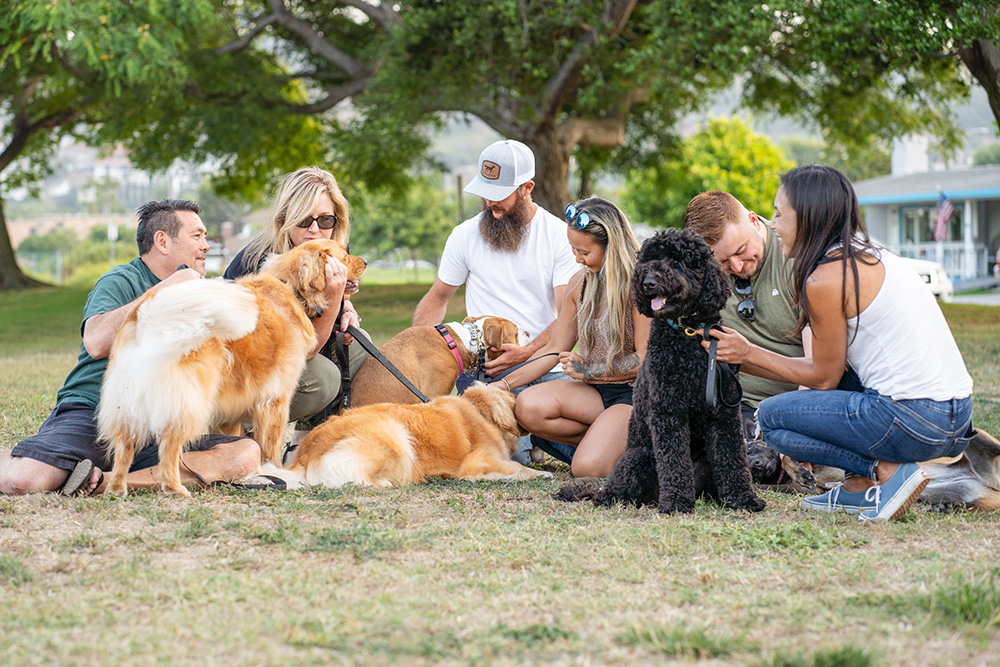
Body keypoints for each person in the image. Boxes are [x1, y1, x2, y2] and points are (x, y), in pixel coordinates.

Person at [707, 165, 974, 521]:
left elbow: (823, 378)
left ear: (808, 218)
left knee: (770, 419)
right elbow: (841, 371)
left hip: (916, 420)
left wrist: (748, 353)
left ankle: (886, 473)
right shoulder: (870, 254)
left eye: (778, 213)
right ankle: (858, 487)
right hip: (956, 417)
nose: (773, 224)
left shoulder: (824, 277)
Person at [0, 199, 261, 496]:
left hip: (161, 427)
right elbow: (96, 342)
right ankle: (22, 456)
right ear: (162, 241)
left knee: (245, 456)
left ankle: (110, 481)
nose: (205, 246)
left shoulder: (201, 294)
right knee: (20, 481)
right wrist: (167, 288)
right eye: (197, 236)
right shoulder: (122, 280)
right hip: (96, 413)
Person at [412, 139, 577, 462]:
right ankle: (532, 440)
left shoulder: (558, 236)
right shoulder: (464, 234)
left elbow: (567, 316)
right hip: (483, 370)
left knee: (589, 455)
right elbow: (438, 297)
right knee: (504, 459)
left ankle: (537, 433)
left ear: (527, 187)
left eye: (499, 194)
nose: (489, 202)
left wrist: (527, 352)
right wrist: (422, 348)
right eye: (485, 191)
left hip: (546, 364)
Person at [503, 197, 649, 478]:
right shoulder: (579, 284)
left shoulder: (641, 284)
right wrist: (504, 383)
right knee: (528, 406)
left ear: (612, 245)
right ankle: (607, 442)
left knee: (587, 469)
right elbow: (554, 348)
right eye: (572, 249)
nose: (576, 258)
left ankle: (611, 447)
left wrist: (589, 370)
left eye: (583, 251)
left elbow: (645, 359)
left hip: (633, 395)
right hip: (595, 392)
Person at [225, 167, 367, 441]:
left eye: (325, 220)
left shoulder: (332, 248)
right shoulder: (254, 262)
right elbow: (308, 350)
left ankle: (306, 438)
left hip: (292, 352)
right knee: (323, 376)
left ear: (337, 221)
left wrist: (347, 306)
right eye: (303, 220)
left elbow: (325, 306)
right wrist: (336, 297)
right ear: (284, 220)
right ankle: (247, 432)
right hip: (245, 371)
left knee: (359, 346)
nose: (315, 230)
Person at [684, 190, 808, 438]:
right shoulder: (698, 272)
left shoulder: (798, 259)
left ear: (753, 220)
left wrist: (800, 428)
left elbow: (820, 373)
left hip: (789, 406)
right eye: (723, 262)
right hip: (726, 403)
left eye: (741, 250)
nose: (737, 267)